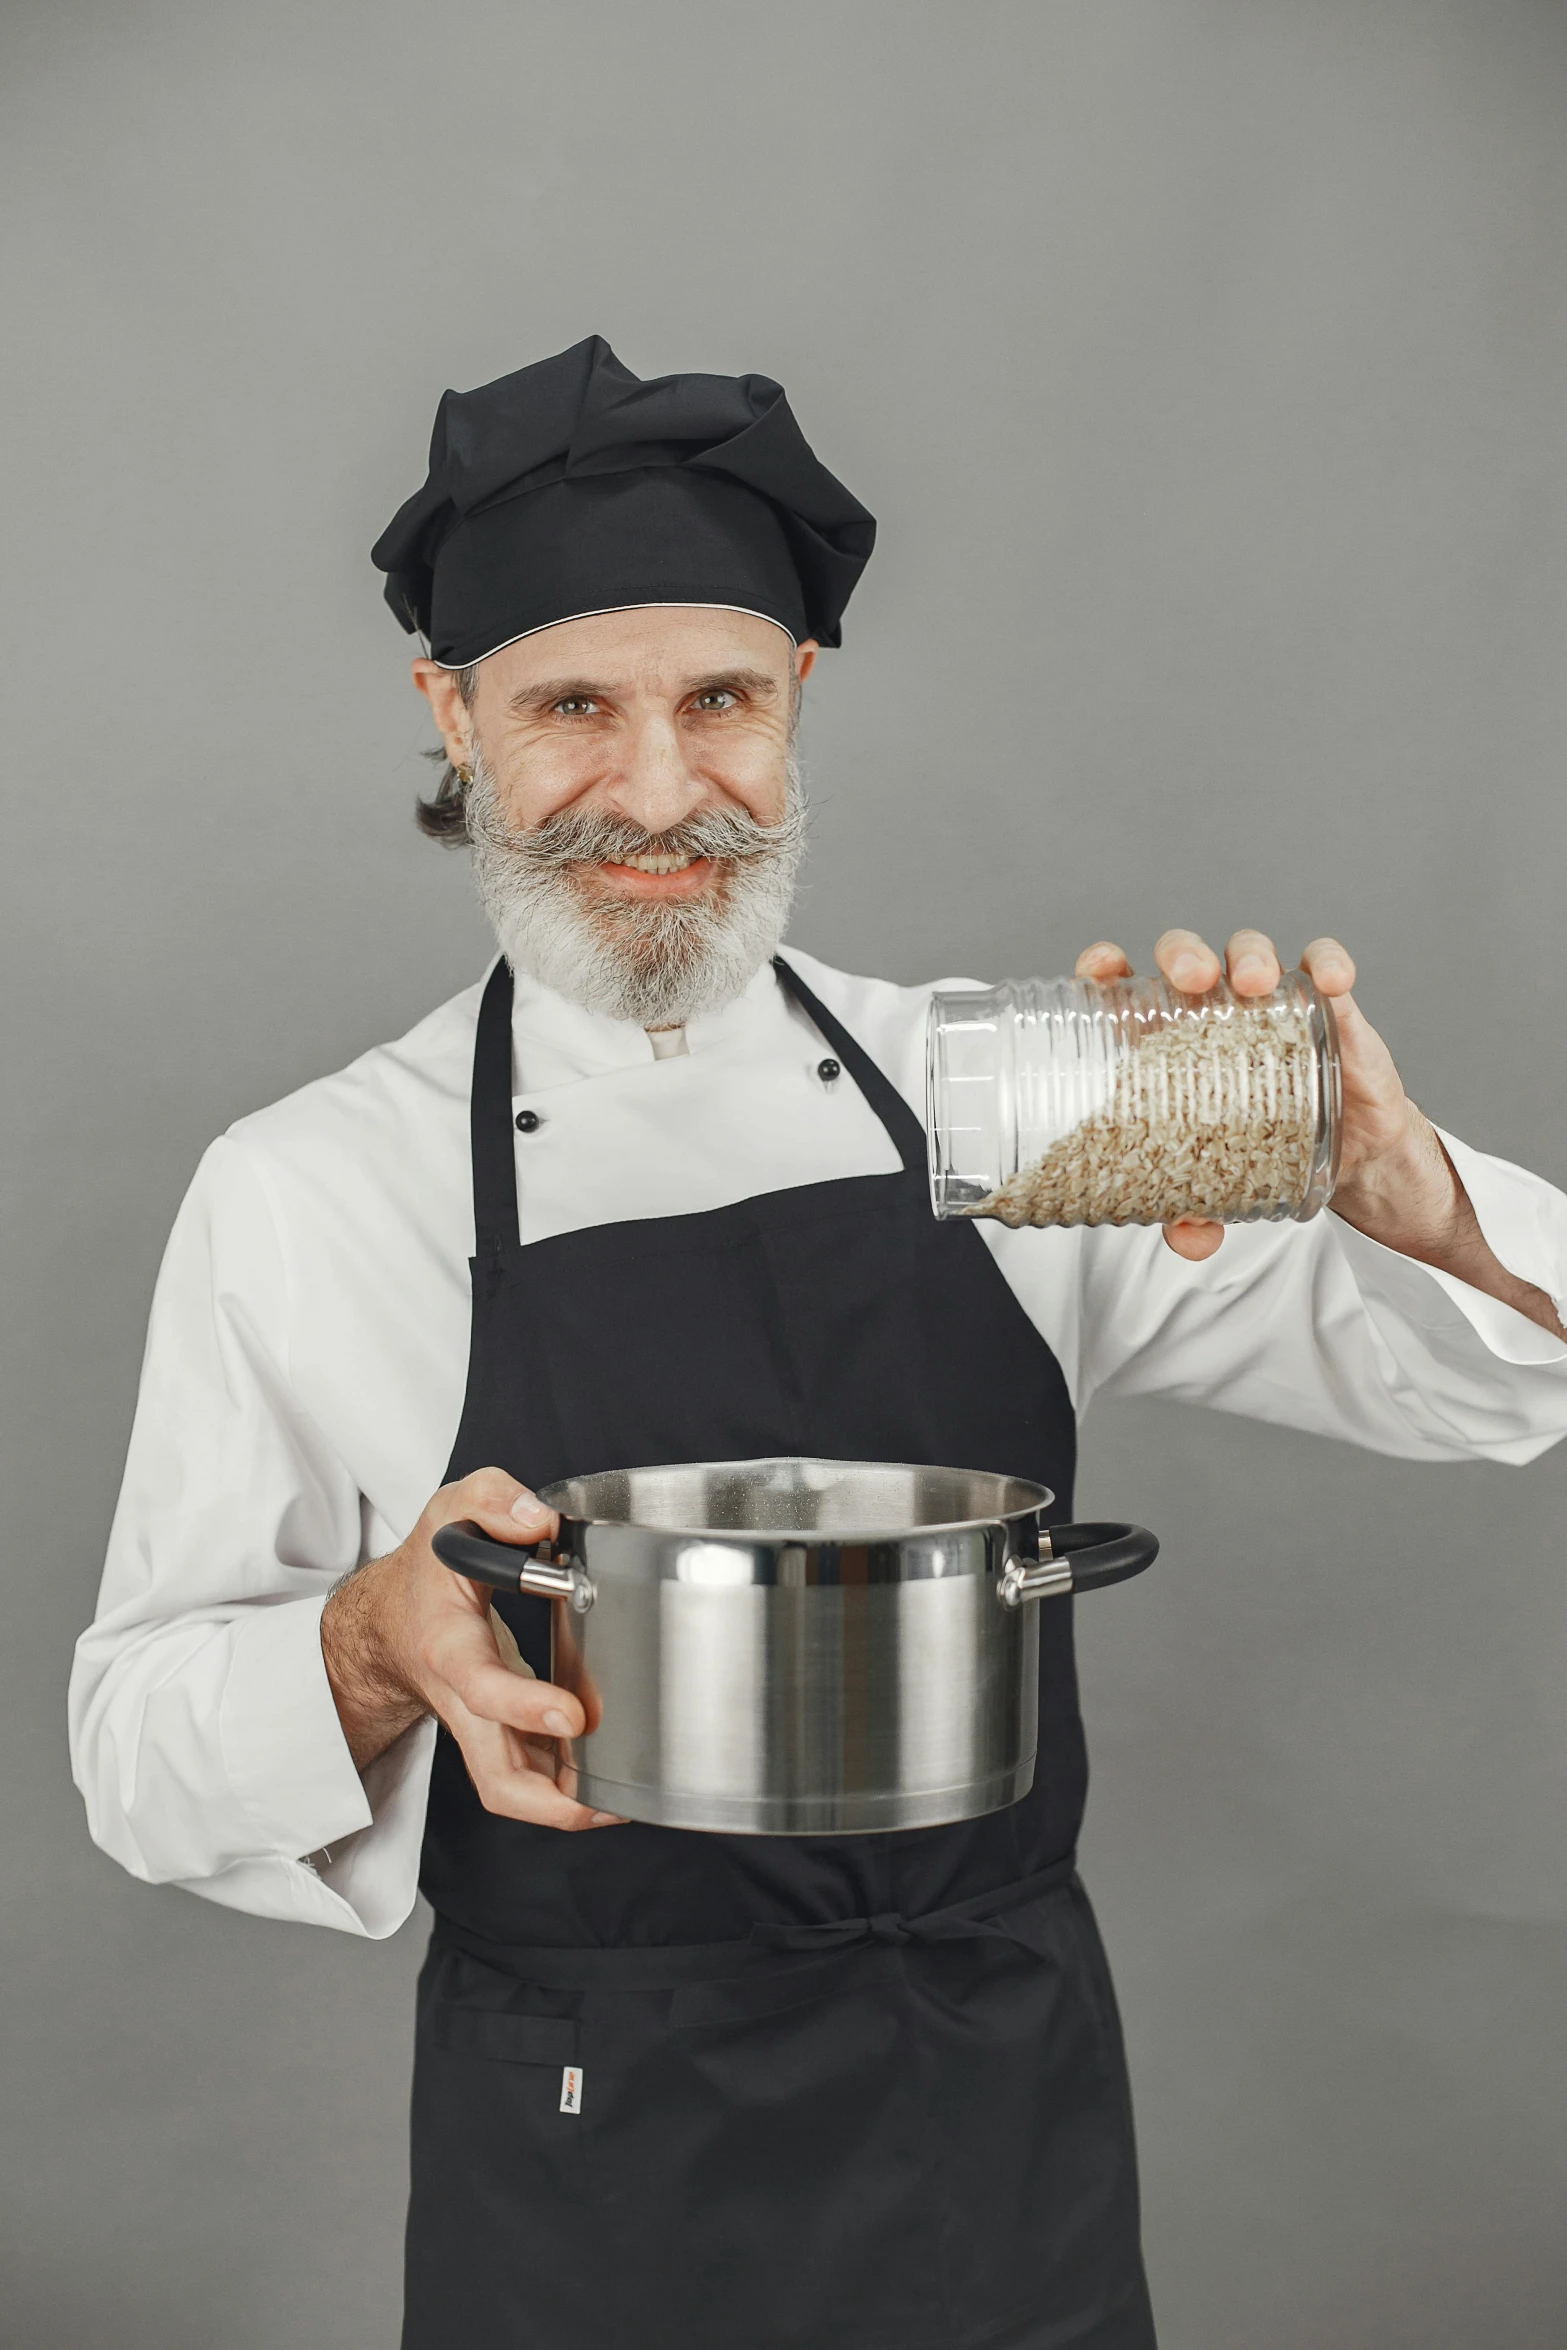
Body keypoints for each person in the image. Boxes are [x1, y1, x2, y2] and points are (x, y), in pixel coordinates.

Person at [70, 337, 1567, 2350]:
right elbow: (136, 1757)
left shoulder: (1014, 1090)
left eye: (723, 700)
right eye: (573, 707)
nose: (665, 788)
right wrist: (362, 1642)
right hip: (587, 2165)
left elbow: (1502, 1378)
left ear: (801, 702)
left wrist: (1422, 1199)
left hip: (1000, 2120)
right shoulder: (311, 1185)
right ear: (452, 713)